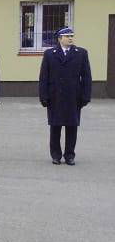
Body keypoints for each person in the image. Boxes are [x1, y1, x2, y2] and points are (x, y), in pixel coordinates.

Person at [38, 27, 92, 165]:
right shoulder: (50, 54)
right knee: (55, 127)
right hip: (55, 96)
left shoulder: (81, 53)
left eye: (71, 36)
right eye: (67, 36)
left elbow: (86, 77)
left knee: (72, 126)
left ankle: (69, 155)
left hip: (73, 96)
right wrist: (43, 96)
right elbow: (44, 76)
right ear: (59, 38)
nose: (70, 38)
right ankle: (56, 155)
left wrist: (86, 96)